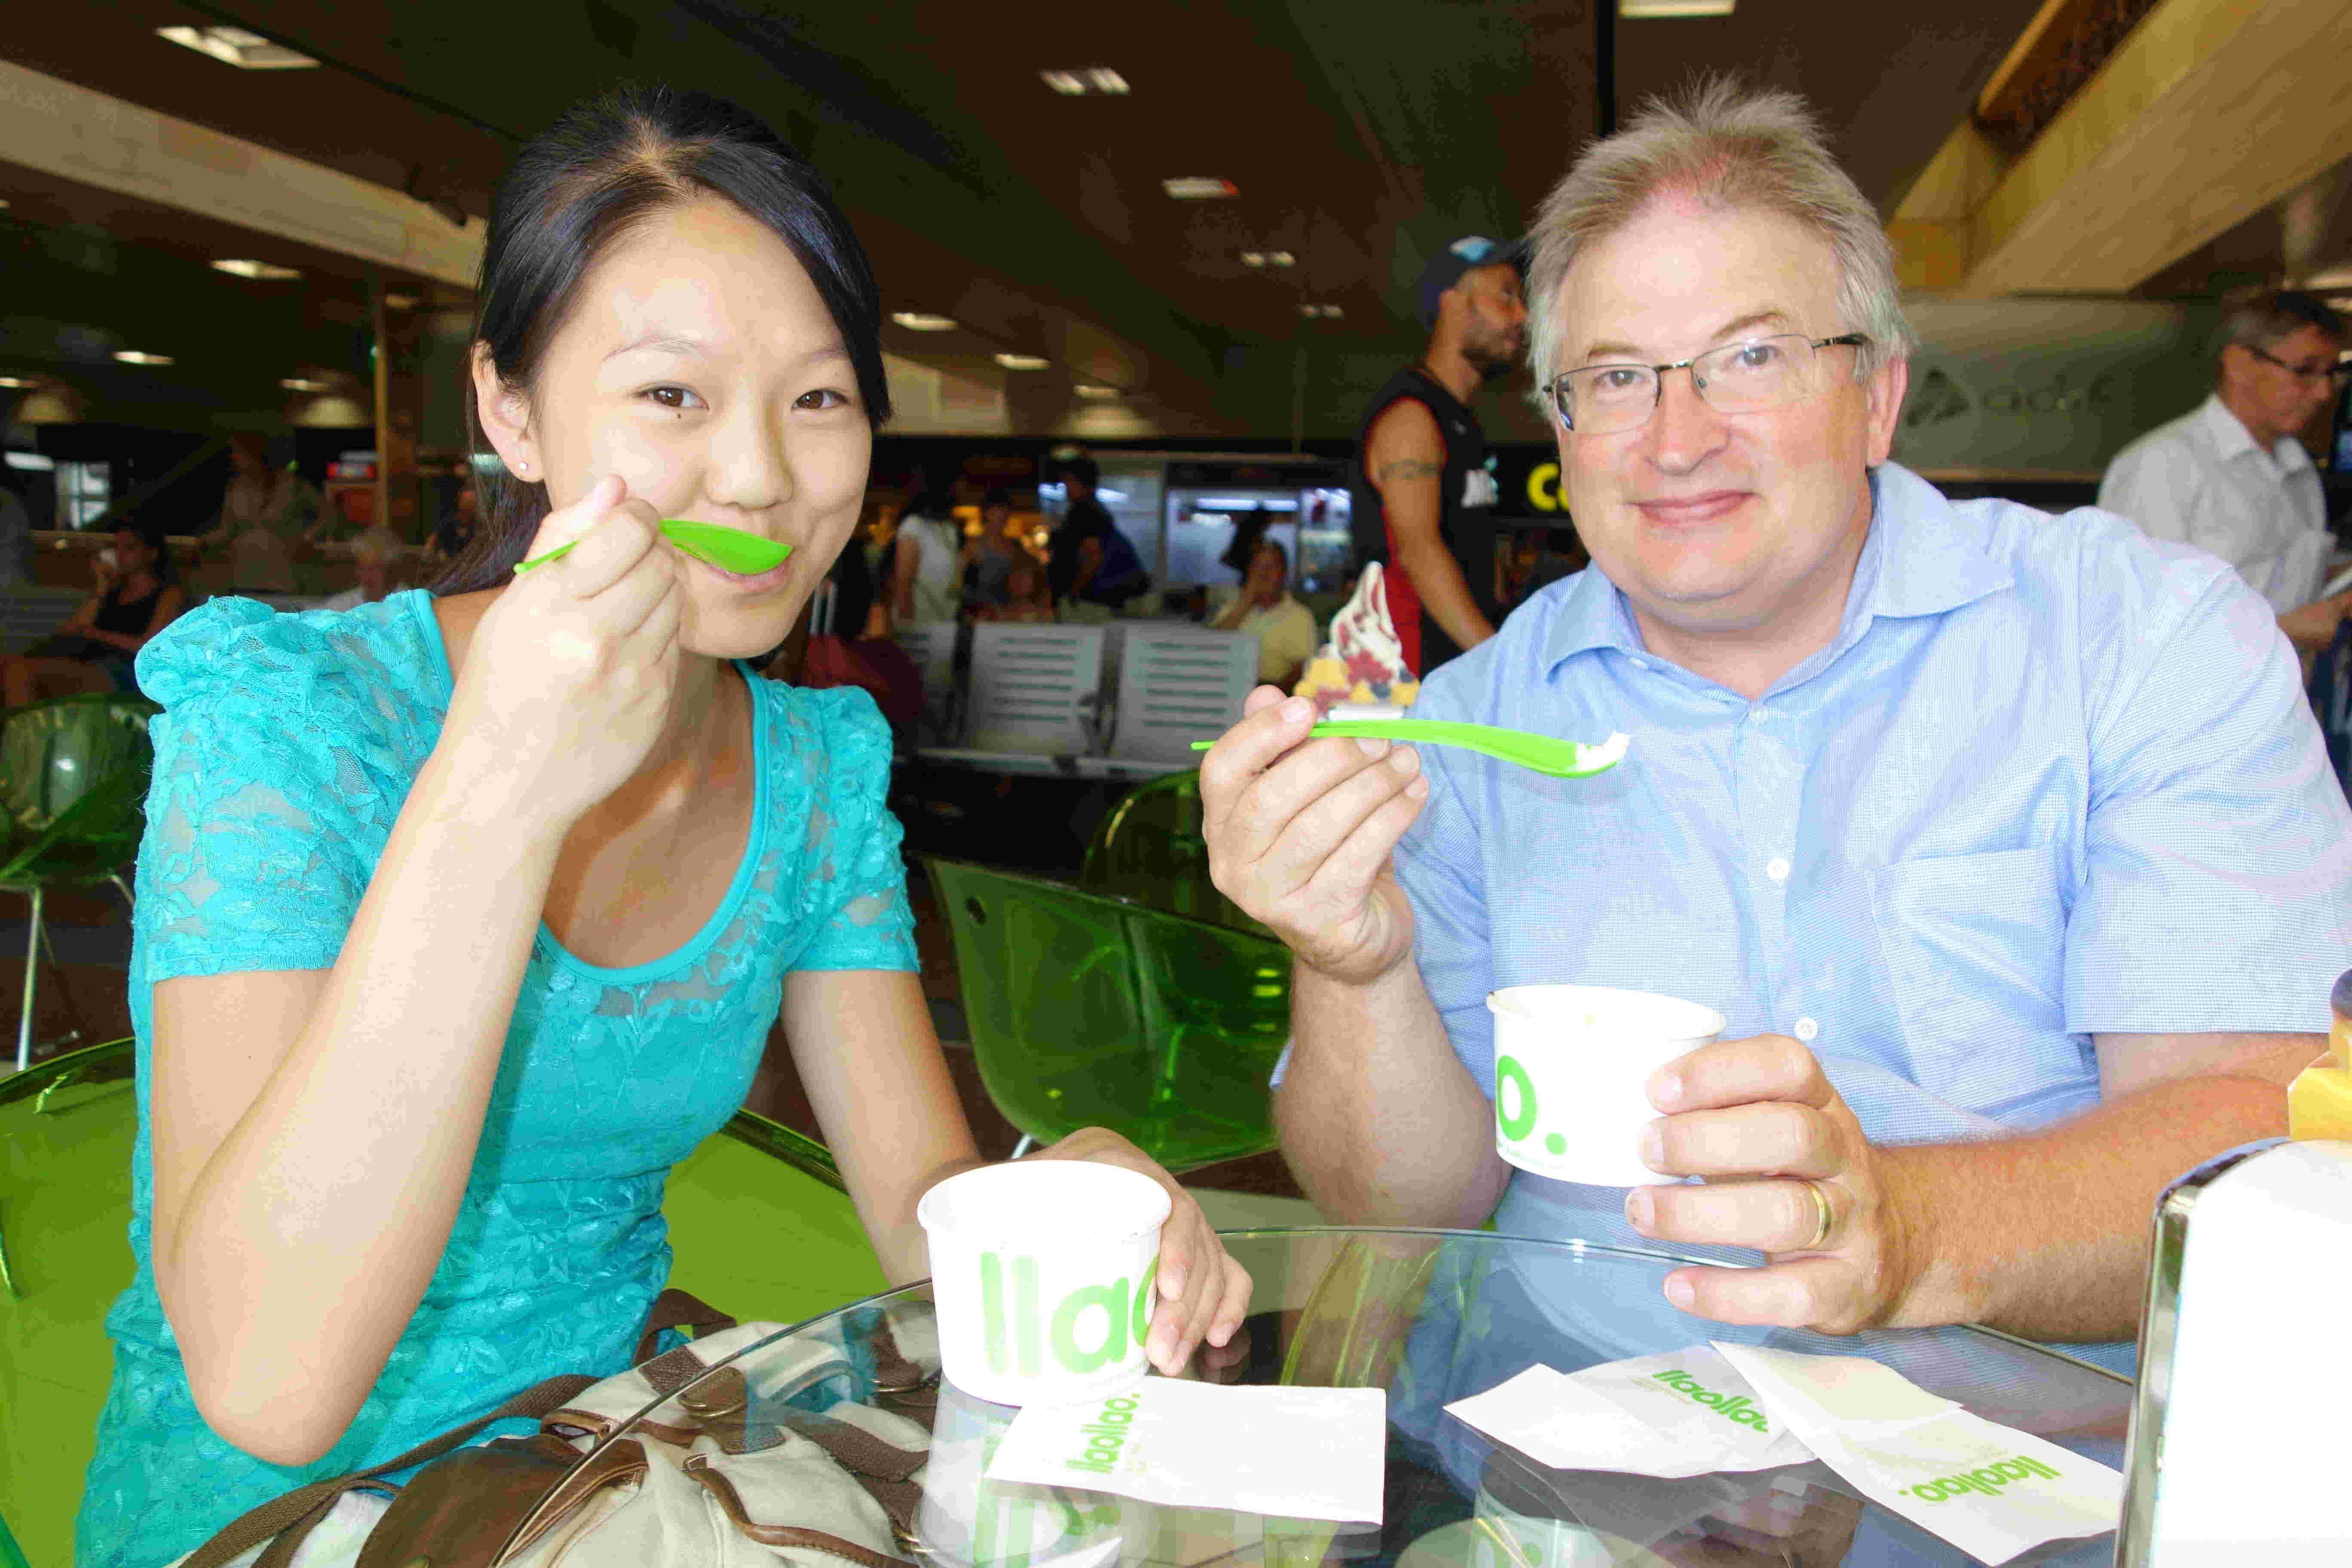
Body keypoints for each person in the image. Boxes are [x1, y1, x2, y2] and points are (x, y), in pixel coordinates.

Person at [78, 86, 1249, 1568]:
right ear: (511, 410)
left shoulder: (810, 766)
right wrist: (496, 786)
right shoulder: (295, 717)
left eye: (819, 398)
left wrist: (1061, 1180)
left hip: (598, 1466)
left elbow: (919, 1222)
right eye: (673, 396)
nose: (760, 475)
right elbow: (268, 1382)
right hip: (271, 1515)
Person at [1201, 80, 2352, 1373]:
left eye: (1750, 358)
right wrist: (1354, 968)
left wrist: (1911, 1229)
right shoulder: (1473, 728)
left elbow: (2257, 1142)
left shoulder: (2135, 645)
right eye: (1616, 377)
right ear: (1563, 428)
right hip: (1559, 1446)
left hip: (2023, 1455)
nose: (1677, 440)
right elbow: (1399, 1206)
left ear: (1877, 397)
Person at [2100, 291, 2351, 652]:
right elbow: (2135, 625)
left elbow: (2282, 577)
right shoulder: (2163, 465)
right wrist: (2284, 631)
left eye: (2332, 373)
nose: (2325, 393)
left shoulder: (2298, 468)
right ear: (2239, 364)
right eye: (2304, 371)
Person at [1348, 234, 1528, 676]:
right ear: (1453, 303)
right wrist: (1500, 665)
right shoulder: (1411, 417)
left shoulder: (1460, 420)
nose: (1522, 315)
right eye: (1506, 296)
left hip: (1454, 674)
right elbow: (1419, 555)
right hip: (1411, 681)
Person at [1, 522, 185, 704]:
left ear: (152, 554)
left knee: (20, 671)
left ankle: (24, 724)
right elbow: (75, 629)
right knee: (8, 664)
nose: (120, 554)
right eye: (117, 548)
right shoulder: (113, 593)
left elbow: (150, 647)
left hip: (124, 668)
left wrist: (96, 635)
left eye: (129, 548)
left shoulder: (168, 594)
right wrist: (102, 586)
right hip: (86, 660)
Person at [206, 432, 321, 595]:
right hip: (243, 577)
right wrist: (201, 543)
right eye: (233, 453)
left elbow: (327, 514)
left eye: (238, 452)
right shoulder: (235, 488)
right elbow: (226, 531)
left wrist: (308, 537)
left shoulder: (290, 484)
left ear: (253, 453)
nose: (234, 458)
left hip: (283, 577)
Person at [1209, 537, 1318, 691]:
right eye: (1258, 567)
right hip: (1226, 692)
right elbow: (1211, 653)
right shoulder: (1231, 609)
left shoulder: (1301, 616)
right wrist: (1245, 604)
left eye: (1271, 567)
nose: (1264, 574)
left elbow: (1302, 670)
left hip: (1277, 695)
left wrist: (1265, 695)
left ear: (1284, 573)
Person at [1046, 456, 1148, 618]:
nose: (1065, 487)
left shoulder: (1086, 512)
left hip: (1092, 598)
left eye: (1068, 481)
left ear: (1081, 483)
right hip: (1096, 595)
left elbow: (1092, 556)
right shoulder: (1087, 510)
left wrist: (1074, 592)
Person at [888, 475, 963, 625]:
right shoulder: (914, 526)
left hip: (946, 621)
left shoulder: (950, 530)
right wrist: (908, 627)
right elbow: (904, 582)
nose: (961, 489)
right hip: (917, 623)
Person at [962, 486, 1023, 613]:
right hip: (979, 611)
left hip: (1009, 612)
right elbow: (963, 585)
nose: (1001, 515)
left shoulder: (1015, 547)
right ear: (987, 513)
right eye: (996, 511)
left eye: (1005, 511)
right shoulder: (972, 547)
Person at [320, 528, 403, 611]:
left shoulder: (405, 601)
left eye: (375, 568)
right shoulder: (343, 603)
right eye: (363, 568)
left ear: (389, 569)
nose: (368, 575)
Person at [422, 479, 480, 579]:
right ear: (459, 502)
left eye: (471, 504)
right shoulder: (447, 523)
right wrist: (432, 558)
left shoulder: (479, 528)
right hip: (446, 573)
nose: (468, 507)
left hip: (469, 574)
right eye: (466, 503)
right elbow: (430, 546)